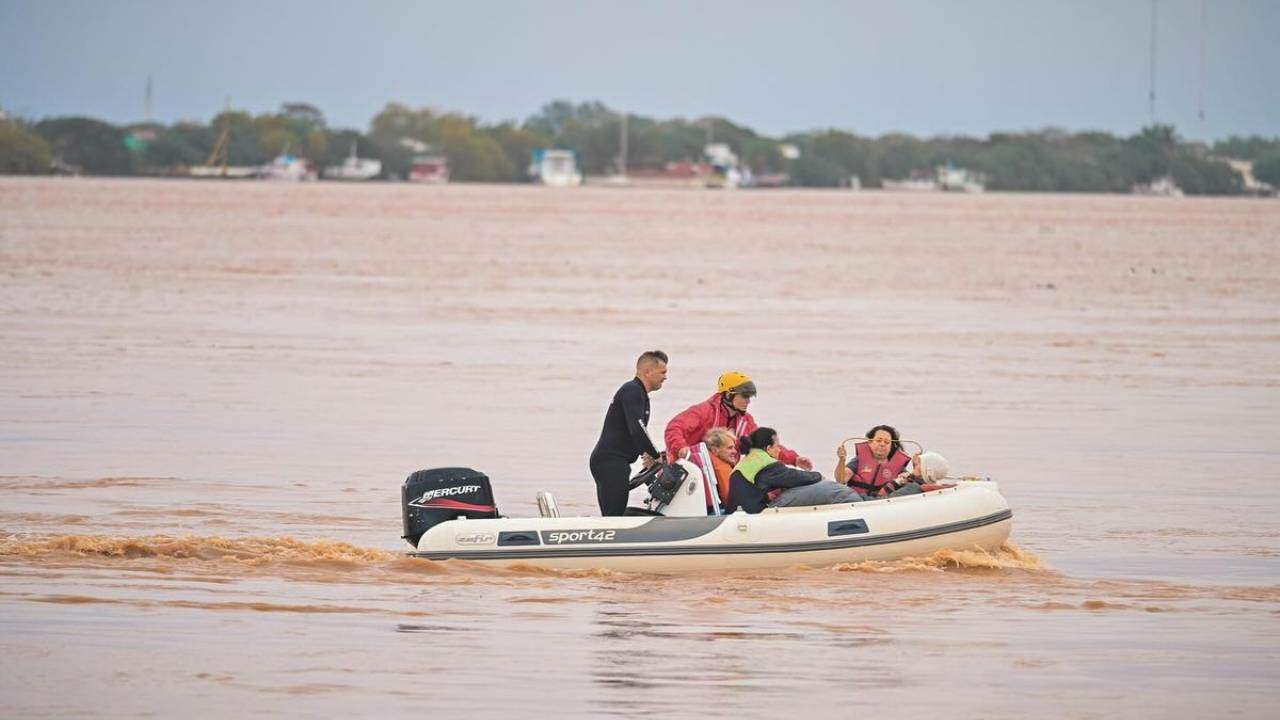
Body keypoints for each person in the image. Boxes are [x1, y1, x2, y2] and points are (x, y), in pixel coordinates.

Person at [664, 371, 813, 471]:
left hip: (719, 473)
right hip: (689, 470)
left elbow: (765, 445)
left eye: (750, 397)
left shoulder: (746, 421)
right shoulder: (703, 412)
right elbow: (674, 428)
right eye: (744, 396)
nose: (748, 401)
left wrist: (794, 459)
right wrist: (681, 448)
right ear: (728, 395)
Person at [590, 350, 668, 516]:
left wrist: (646, 454)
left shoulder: (639, 394)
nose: (665, 377)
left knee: (613, 513)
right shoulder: (632, 390)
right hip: (610, 462)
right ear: (647, 372)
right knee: (613, 516)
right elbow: (637, 429)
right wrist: (655, 455)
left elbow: (633, 431)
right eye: (663, 372)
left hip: (614, 462)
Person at [726, 427, 864, 514]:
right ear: (768, 449)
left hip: (740, 511)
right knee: (834, 489)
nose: (779, 450)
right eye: (777, 446)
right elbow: (793, 477)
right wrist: (818, 476)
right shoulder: (766, 463)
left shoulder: (749, 460)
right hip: (754, 513)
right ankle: (860, 511)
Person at [835, 424, 924, 498]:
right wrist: (841, 460)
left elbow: (910, 487)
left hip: (880, 505)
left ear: (891, 446)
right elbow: (841, 479)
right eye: (878, 440)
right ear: (870, 442)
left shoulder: (898, 467)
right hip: (855, 502)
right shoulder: (858, 461)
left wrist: (916, 467)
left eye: (886, 442)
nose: (882, 444)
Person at [701, 427, 738, 505]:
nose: (735, 451)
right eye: (730, 448)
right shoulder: (722, 468)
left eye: (734, 447)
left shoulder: (707, 464)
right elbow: (732, 500)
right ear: (715, 450)